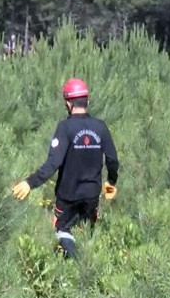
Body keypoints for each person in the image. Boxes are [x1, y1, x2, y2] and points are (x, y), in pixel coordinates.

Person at [11, 78, 120, 259]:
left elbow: (53, 163)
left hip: (68, 196)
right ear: (87, 101)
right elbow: (112, 160)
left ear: (68, 103)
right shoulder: (100, 127)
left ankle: (75, 265)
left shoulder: (65, 127)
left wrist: (30, 183)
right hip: (91, 195)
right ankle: (88, 267)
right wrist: (111, 182)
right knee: (86, 231)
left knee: (63, 229)